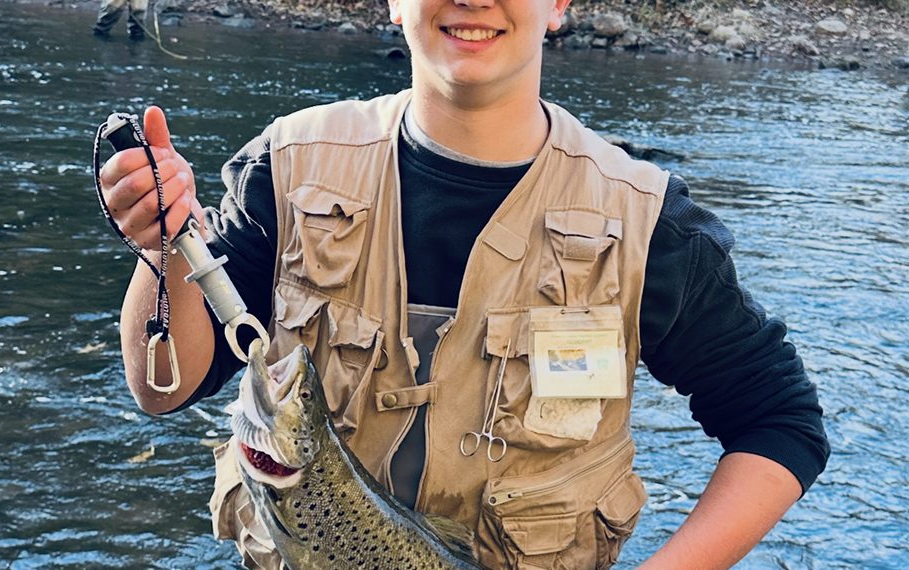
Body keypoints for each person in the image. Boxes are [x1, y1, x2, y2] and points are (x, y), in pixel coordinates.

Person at [99, 0, 829, 568]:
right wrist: (160, 248)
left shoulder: (647, 224)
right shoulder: (285, 173)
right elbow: (164, 388)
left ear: (560, 5)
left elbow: (781, 422)